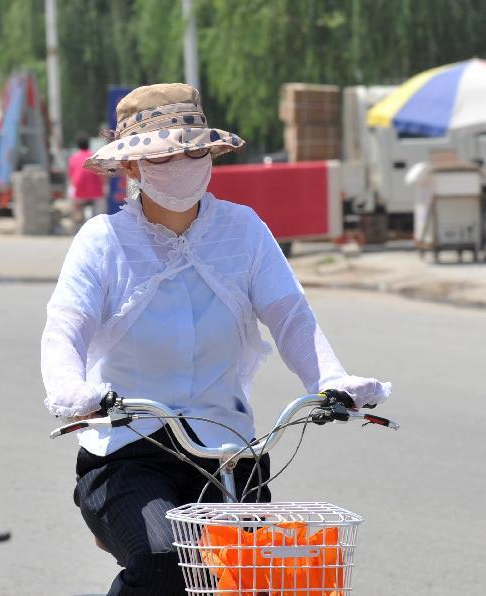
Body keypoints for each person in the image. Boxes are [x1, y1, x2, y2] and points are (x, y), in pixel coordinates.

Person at [40, 83, 392, 595]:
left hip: (230, 450)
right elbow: (65, 327)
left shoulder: (243, 230)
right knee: (162, 560)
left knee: (257, 575)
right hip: (127, 450)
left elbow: (290, 316)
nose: (184, 162)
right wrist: (70, 387)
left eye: (194, 149)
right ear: (132, 168)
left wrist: (331, 379)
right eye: (165, 154)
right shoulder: (102, 242)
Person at [67, 133, 106, 228]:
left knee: (73, 199)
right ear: (89, 144)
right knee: (100, 213)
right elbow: (103, 175)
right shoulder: (95, 157)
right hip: (96, 192)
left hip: (79, 193)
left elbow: (71, 178)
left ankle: (77, 217)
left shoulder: (73, 158)